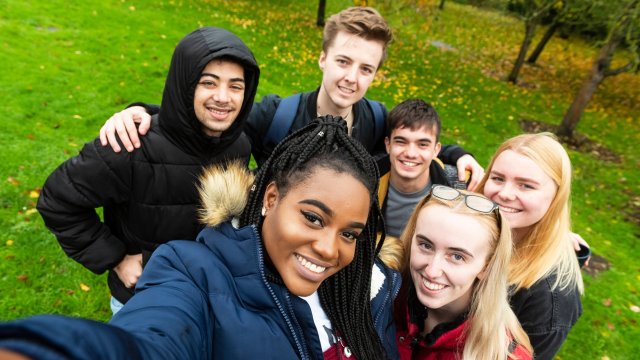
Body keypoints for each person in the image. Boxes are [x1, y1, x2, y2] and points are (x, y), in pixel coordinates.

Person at [0, 116, 400, 359]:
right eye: (313, 218)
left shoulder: (371, 287)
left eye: (350, 233)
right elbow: (153, 339)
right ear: (272, 198)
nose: (330, 249)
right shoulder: (194, 274)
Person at [97, 7, 485, 189]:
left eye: (365, 69)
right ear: (322, 58)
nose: (351, 78)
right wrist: (140, 112)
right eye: (343, 62)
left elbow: (413, 144)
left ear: (375, 74)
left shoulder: (377, 120)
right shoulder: (276, 115)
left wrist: (456, 154)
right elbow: (208, 119)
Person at [35, 27, 260, 313]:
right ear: (184, 85)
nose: (223, 97)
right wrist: (116, 258)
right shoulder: (130, 144)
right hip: (142, 301)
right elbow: (57, 199)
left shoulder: (238, 146)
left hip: (207, 298)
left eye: (236, 86)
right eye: (209, 83)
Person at [390, 185, 532, 359]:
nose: (432, 271)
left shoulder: (503, 355)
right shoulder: (379, 297)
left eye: (457, 257)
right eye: (426, 245)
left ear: (487, 267)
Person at [476, 133, 584, 359]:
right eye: (497, 178)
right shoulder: (474, 228)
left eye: (525, 185)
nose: (504, 194)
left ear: (556, 196)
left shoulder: (551, 298)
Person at [378, 99, 465, 239]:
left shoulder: (458, 186)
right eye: (401, 141)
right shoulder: (366, 180)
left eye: (422, 144)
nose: (410, 153)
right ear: (388, 145)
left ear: (436, 150)